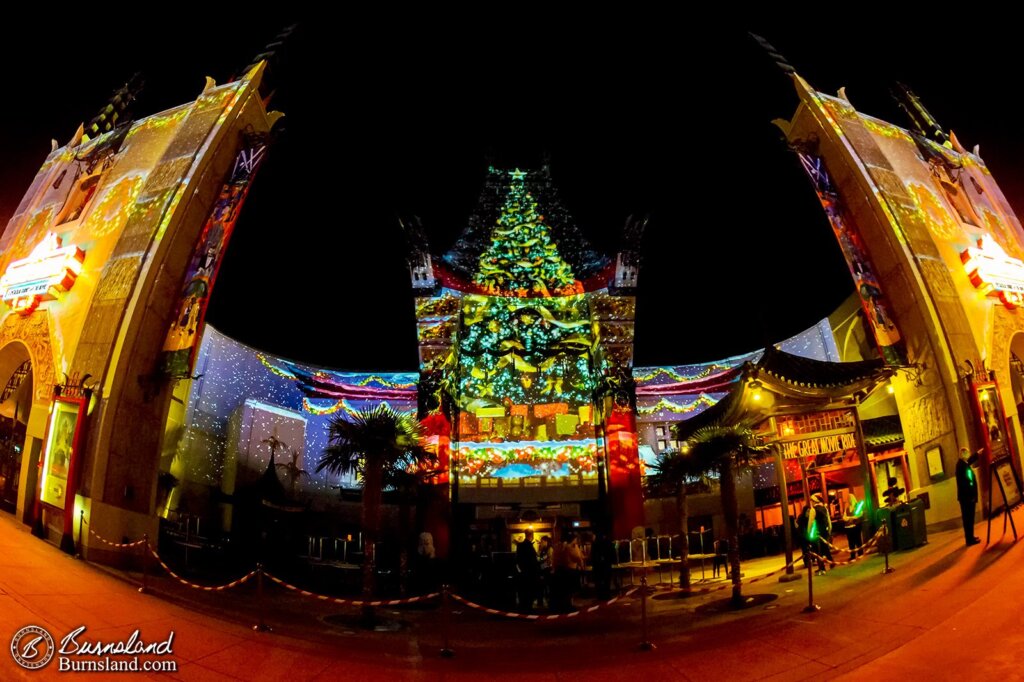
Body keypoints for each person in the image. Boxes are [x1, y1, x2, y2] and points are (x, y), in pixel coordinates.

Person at [956, 447, 981, 546]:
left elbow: (969, 461)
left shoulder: (963, 463)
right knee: (968, 519)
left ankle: (971, 537)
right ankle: (969, 540)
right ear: (963, 454)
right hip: (967, 498)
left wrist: (977, 454)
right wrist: (971, 496)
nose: (968, 454)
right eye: (967, 453)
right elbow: (964, 482)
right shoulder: (961, 465)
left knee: (970, 519)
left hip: (967, 497)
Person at [515, 530, 539, 612]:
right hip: (530, 574)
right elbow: (534, 562)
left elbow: (517, 560)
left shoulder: (520, 545)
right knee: (529, 595)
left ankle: (523, 610)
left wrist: (520, 571)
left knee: (523, 594)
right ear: (531, 535)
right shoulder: (530, 546)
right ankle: (528, 610)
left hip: (522, 574)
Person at [811, 493, 833, 575]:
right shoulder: (824, 508)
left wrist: (809, 532)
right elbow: (828, 520)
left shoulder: (813, 510)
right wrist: (829, 529)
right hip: (825, 531)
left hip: (817, 532)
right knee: (825, 548)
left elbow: (811, 522)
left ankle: (822, 567)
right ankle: (831, 562)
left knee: (818, 551)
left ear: (814, 501)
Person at [842, 493, 865, 559]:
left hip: (856, 526)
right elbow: (844, 517)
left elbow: (860, 514)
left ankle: (860, 553)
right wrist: (849, 518)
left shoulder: (857, 506)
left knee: (858, 540)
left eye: (849, 498)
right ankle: (852, 555)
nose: (848, 500)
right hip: (849, 527)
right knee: (851, 542)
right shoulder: (847, 508)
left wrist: (852, 518)